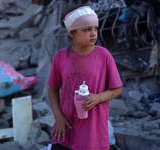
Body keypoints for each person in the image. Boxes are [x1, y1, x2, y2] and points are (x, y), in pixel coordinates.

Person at [47, 4, 123, 150]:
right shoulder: (60, 57)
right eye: (87, 30)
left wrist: (98, 98)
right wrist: (58, 117)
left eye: (95, 28)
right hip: (65, 128)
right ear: (72, 33)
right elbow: (53, 90)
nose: (93, 34)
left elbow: (117, 89)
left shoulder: (104, 55)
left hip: (93, 132)